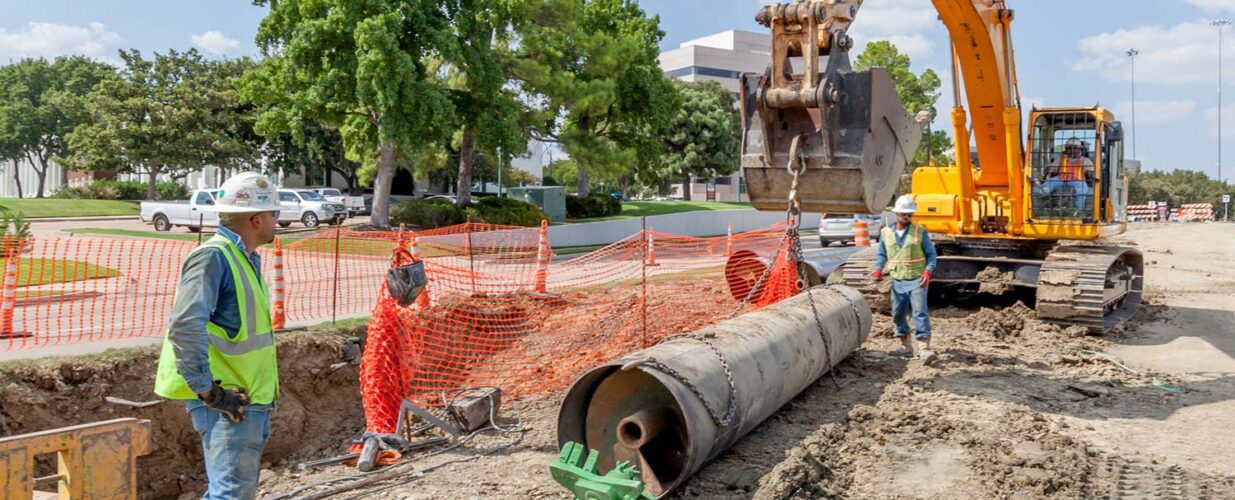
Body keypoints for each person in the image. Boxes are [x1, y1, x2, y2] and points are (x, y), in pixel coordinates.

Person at [154, 172, 283, 500]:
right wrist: (208, 392)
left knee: (234, 493)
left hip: (248, 395)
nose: (277, 221)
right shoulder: (213, 256)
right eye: (274, 214)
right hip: (225, 398)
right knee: (230, 495)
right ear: (256, 219)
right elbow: (184, 325)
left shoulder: (245, 258)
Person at [871, 195, 939, 364]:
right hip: (897, 280)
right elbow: (882, 254)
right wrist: (878, 269)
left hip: (917, 280)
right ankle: (906, 346)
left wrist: (928, 272)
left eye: (910, 214)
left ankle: (924, 348)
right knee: (897, 313)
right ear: (897, 213)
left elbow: (931, 255)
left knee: (919, 312)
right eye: (904, 214)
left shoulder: (919, 232)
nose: (907, 217)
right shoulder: (886, 233)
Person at [1043, 137, 1094, 211]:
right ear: (1066, 149)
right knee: (1049, 183)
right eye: (1069, 148)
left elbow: (1092, 172)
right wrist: (1049, 169)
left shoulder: (1085, 160)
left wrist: (1089, 171)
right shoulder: (1061, 159)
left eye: (1075, 148)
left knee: (1082, 190)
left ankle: (1079, 210)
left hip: (1078, 181)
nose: (1072, 150)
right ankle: (1043, 193)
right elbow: (1052, 167)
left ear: (1080, 149)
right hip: (1061, 179)